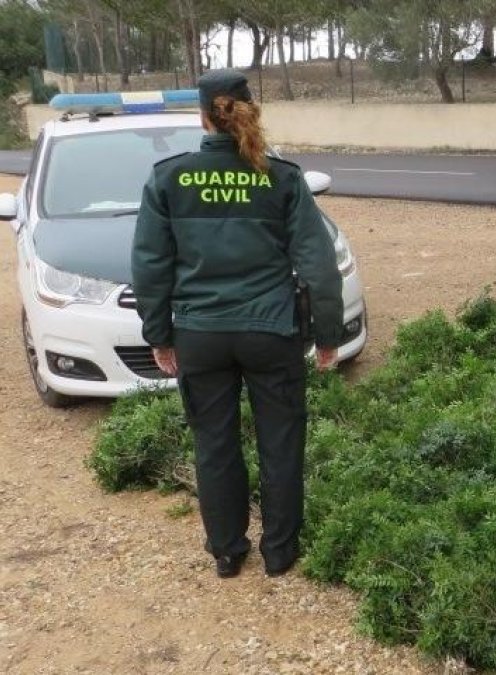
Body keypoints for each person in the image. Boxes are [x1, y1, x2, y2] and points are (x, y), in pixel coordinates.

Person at [132, 69, 344, 579]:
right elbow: (318, 265)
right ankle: (279, 552)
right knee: (281, 440)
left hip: (201, 335)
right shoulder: (282, 178)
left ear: (203, 115)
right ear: (251, 113)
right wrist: (329, 336)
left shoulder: (169, 178)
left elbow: (150, 266)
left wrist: (159, 334)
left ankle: (227, 551)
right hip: (270, 332)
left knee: (214, 442)